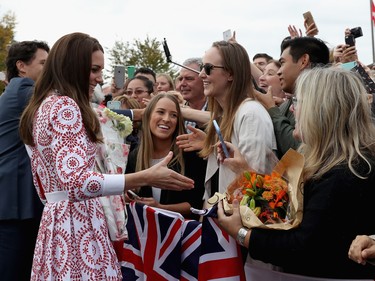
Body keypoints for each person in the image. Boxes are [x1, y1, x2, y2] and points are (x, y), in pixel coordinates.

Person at [18, 32, 194, 280]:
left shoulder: (45, 104)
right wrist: (145, 177)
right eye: (93, 69)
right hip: (75, 224)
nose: (100, 78)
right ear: (72, 66)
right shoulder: (64, 106)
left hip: (57, 221)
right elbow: (77, 181)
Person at [216, 67, 375, 279]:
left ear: (321, 110)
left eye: (298, 103)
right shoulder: (320, 159)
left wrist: (242, 234)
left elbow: (303, 247)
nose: (291, 110)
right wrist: (244, 170)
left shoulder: (346, 172)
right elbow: (284, 205)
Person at [198, 40, 276, 200]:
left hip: (240, 221)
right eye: (201, 67)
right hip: (223, 218)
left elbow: (255, 189)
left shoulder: (251, 115)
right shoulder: (224, 115)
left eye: (208, 68)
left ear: (231, 73)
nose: (201, 74)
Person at [0, 40, 49, 281]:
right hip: (15, 202)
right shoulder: (24, 89)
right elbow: (75, 110)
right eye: (43, 63)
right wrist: (135, 114)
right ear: (22, 66)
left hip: (16, 200)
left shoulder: (18, 90)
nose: (49, 69)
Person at [126, 93, 205, 219]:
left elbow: (196, 204)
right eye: (161, 112)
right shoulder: (134, 155)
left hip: (181, 233)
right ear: (147, 116)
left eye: (174, 115)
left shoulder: (189, 154)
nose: (167, 119)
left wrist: (160, 208)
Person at [254, 36, 330, 158]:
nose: (279, 71)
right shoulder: (291, 102)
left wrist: (272, 110)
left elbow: (298, 150)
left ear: (303, 61)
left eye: (282, 63)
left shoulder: (324, 100)